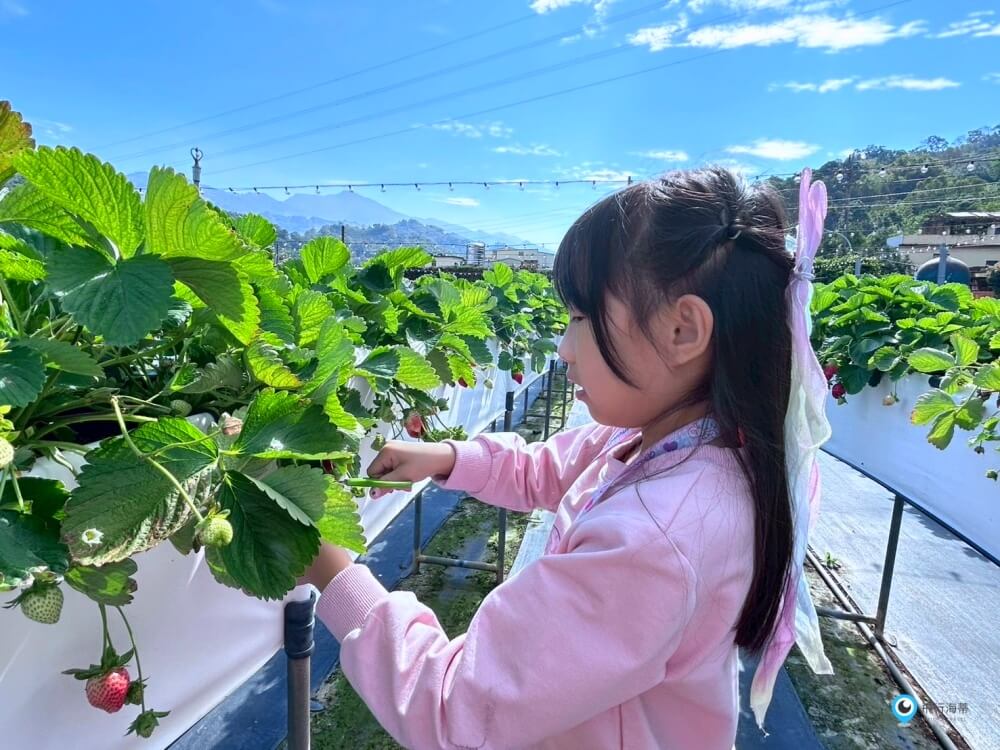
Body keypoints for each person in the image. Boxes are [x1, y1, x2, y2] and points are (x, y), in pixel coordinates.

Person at [300, 167, 834, 749]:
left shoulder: (657, 540)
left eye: (581, 318)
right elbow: (547, 469)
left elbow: (457, 708)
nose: (563, 347)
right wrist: (445, 457)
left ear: (683, 330)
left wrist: (330, 569)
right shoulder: (672, 443)